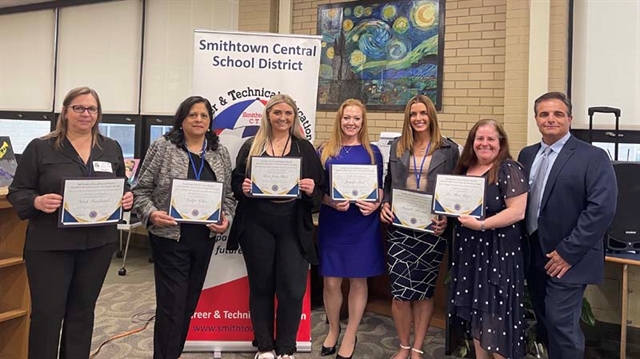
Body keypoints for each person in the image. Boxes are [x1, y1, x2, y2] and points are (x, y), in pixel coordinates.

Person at [7, 86, 134, 359]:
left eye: (92, 109)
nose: (85, 114)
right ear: (65, 111)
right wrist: (37, 202)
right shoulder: (41, 147)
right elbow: (19, 191)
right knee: (48, 315)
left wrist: (126, 198)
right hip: (50, 245)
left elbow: (122, 184)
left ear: (98, 114)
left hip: (97, 244)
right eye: (79, 108)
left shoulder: (110, 147)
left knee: (82, 312)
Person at [132, 96, 236, 359]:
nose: (198, 120)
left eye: (203, 115)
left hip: (204, 238)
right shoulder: (163, 147)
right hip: (169, 238)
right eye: (192, 115)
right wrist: (152, 214)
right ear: (181, 119)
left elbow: (229, 197)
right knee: (173, 305)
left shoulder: (219, 152)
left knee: (188, 303)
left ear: (210, 121)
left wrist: (226, 218)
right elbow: (141, 191)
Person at [517, 92, 618, 359]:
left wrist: (567, 252)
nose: (551, 119)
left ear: (570, 119)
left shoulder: (593, 156)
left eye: (558, 114)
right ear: (536, 119)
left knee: (562, 324)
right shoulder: (527, 155)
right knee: (545, 321)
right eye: (544, 114)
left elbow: (601, 209)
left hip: (569, 258)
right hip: (533, 254)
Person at [227, 94, 325, 359]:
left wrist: (311, 189)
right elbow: (236, 183)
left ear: (294, 117)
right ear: (268, 115)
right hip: (257, 223)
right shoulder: (252, 146)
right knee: (261, 286)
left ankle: (285, 347)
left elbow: (320, 190)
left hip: (293, 224)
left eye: (288, 113)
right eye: (277, 112)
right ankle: (265, 347)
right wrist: (244, 188)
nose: (283, 118)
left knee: (292, 289)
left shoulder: (304, 148)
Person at [380, 95, 459, 359]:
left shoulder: (448, 149)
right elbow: (389, 182)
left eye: (423, 113)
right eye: (413, 114)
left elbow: (454, 188)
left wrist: (447, 216)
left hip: (432, 229)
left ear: (431, 116)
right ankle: (403, 345)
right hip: (400, 227)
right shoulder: (397, 147)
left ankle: (417, 347)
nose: (418, 118)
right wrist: (386, 204)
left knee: (424, 292)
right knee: (401, 292)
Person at [449, 119, 528, 359]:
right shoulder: (464, 170)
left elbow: (517, 212)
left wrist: (481, 224)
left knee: (497, 319)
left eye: (490, 139)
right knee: (476, 314)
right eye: (479, 139)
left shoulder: (508, 169)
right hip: (469, 253)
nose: (484, 144)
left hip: (497, 254)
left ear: (500, 142)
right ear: (472, 143)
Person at [316, 99, 385, 359]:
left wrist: (376, 204)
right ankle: (333, 329)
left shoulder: (373, 152)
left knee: (358, 280)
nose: (351, 123)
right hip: (334, 222)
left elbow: (379, 187)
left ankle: (351, 333)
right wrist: (330, 201)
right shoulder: (324, 150)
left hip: (362, 223)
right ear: (339, 119)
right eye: (347, 118)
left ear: (363, 122)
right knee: (331, 281)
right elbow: (318, 191)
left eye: (356, 118)